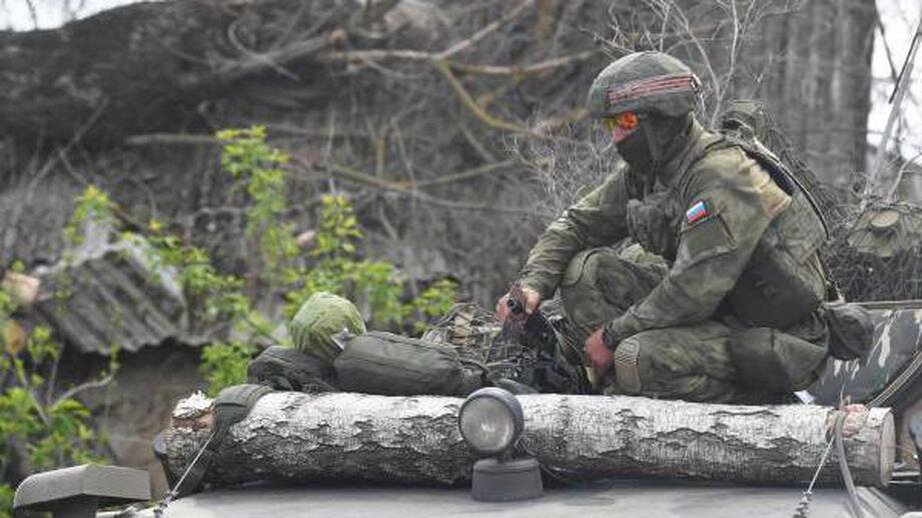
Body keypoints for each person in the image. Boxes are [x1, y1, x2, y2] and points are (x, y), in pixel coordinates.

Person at [496, 51, 835, 403]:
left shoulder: (723, 175)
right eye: (611, 125)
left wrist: (612, 337)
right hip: (714, 311)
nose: (616, 138)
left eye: (625, 122)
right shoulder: (651, 171)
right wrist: (531, 286)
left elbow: (692, 292)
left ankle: (765, 402)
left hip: (774, 334)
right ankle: (612, 389)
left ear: (660, 119)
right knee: (585, 272)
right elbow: (577, 223)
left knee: (637, 358)